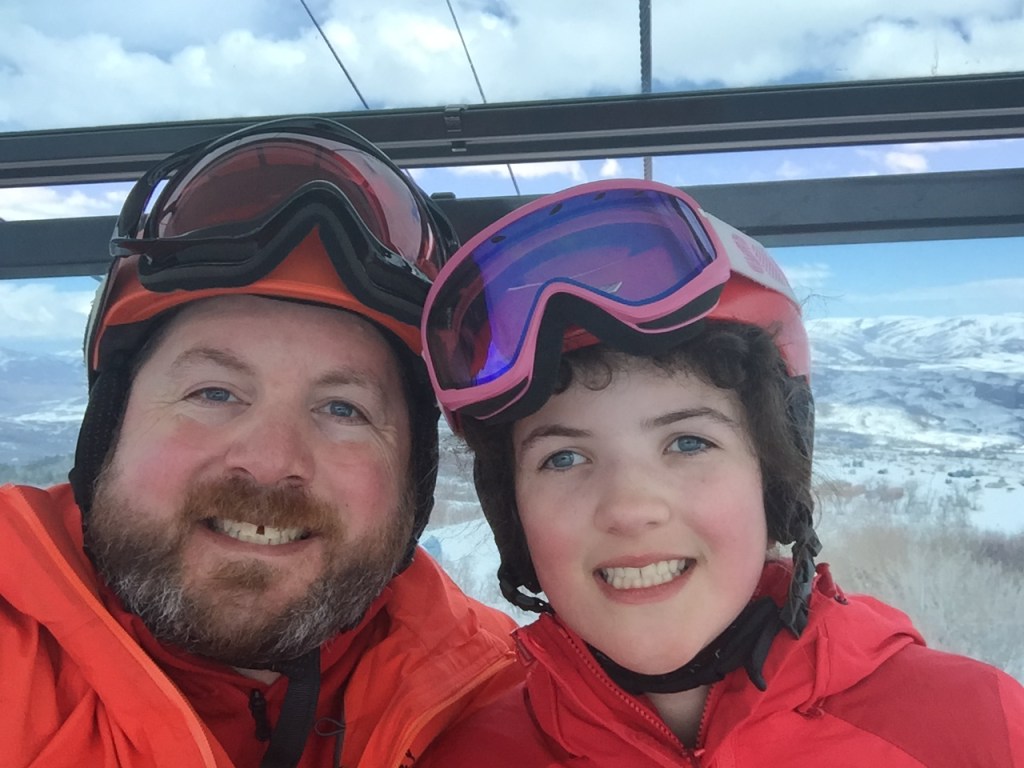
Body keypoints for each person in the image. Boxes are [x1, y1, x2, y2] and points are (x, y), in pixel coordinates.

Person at [416, 179, 1024, 766]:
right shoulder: (464, 758)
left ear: (774, 478)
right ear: (512, 516)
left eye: (687, 443)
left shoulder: (980, 731)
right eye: (564, 458)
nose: (629, 509)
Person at [0, 117, 522, 768]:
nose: (273, 462)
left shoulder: (506, 700)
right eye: (213, 393)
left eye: (343, 408)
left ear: (409, 475)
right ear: (109, 428)